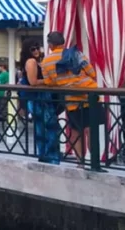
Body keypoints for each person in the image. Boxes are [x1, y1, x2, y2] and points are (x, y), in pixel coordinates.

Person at [41, 31, 97, 167]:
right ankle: (95, 162)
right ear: (63, 42)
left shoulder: (46, 61)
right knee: (91, 130)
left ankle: (80, 162)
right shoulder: (76, 54)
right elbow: (92, 73)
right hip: (90, 95)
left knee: (76, 132)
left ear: (51, 45)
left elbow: (49, 82)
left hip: (72, 100)